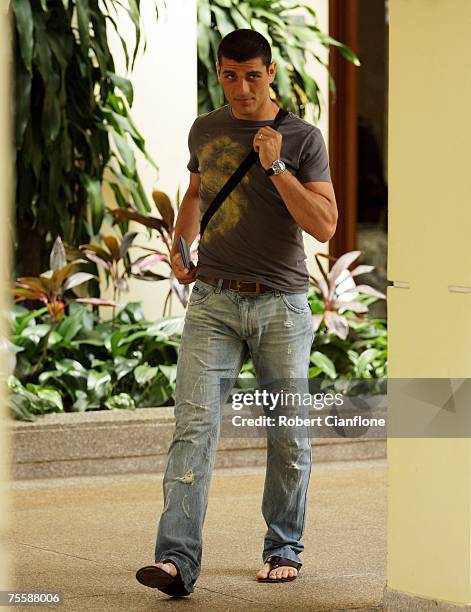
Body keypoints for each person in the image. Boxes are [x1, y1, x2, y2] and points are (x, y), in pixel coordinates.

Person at [136, 28, 337, 598]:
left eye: (253, 75)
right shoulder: (206, 129)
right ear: (219, 73)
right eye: (230, 76)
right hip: (214, 302)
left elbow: (325, 225)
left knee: (288, 436)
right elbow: (198, 191)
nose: (242, 88)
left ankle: (283, 547)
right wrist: (182, 245)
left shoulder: (302, 138)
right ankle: (175, 561)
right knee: (193, 430)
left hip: (280, 305)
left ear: (270, 73)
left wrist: (276, 168)